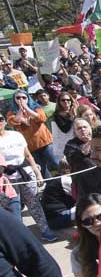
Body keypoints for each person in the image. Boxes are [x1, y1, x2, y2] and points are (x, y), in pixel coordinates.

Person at [0, 101, 58, 242]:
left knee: (34, 203)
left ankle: (46, 231)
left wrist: (37, 174)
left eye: (0, 119)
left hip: (25, 172)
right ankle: (20, 239)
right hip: (6, 178)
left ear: (5, 121)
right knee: (13, 208)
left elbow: (27, 155)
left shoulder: (16, 135)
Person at [6, 88, 59, 178]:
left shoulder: (36, 107)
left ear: (28, 98)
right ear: (14, 99)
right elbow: (13, 122)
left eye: (23, 97)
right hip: (30, 146)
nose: (21, 100)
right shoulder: (11, 112)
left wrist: (26, 108)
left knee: (55, 163)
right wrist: (20, 109)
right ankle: (50, 186)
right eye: (18, 98)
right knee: (41, 169)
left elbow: (42, 118)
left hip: (45, 142)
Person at [72, 193, 101, 277]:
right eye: (88, 221)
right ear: (82, 226)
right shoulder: (78, 255)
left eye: (100, 216)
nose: (97, 223)